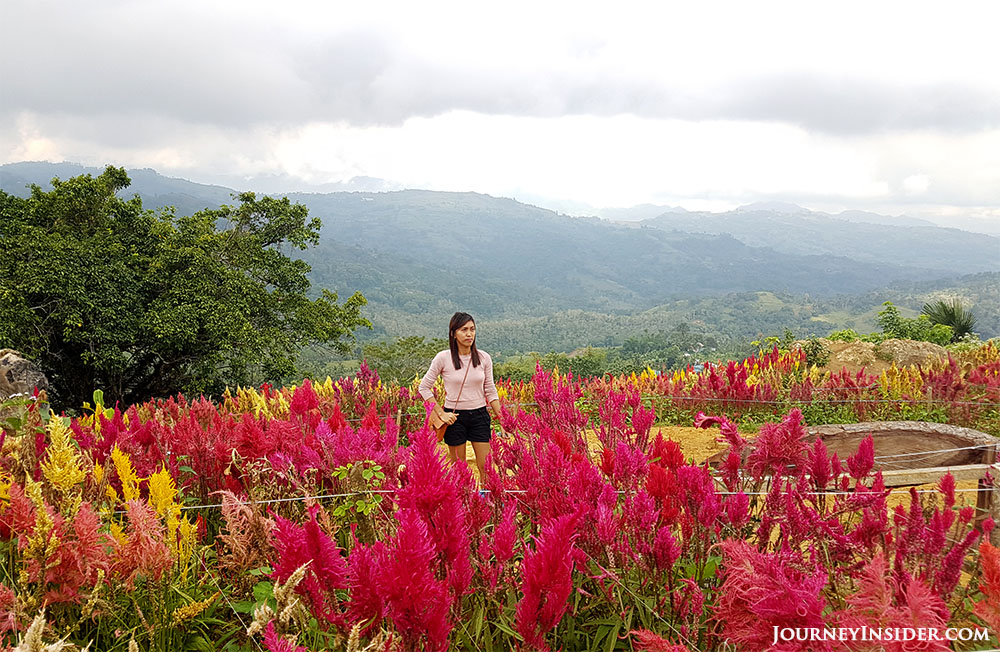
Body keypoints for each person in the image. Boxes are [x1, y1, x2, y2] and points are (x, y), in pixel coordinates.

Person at [419, 312, 502, 480]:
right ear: (453, 333)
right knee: (460, 468)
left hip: (480, 415)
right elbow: (424, 387)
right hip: (454, 418)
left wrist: (503, 419)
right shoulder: (443, 358)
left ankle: (487, 501)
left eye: (472, 329)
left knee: (485, 467)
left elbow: (490, 390)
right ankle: (463, 503)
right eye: (464, 330)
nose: (469, 334)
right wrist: (441, 413)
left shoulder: (484, 358)